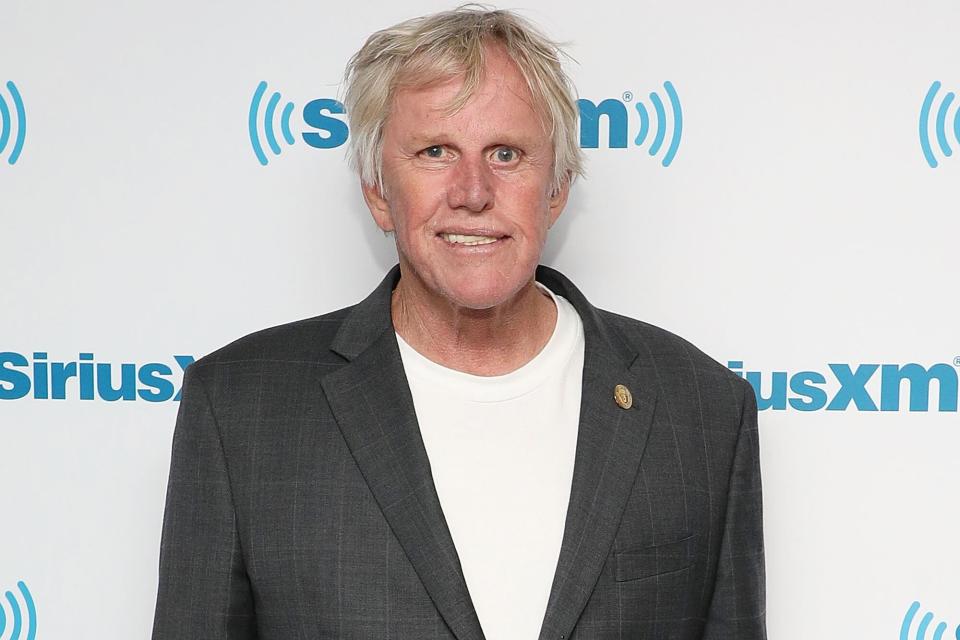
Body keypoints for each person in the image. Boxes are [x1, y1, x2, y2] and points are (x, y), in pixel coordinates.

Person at [152, 6, 765, 640]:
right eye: (435, 150)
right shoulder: (240, 409)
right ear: (377, 190)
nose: (473, 191)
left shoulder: (702, 411)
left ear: (555, 187)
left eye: (506, 152)